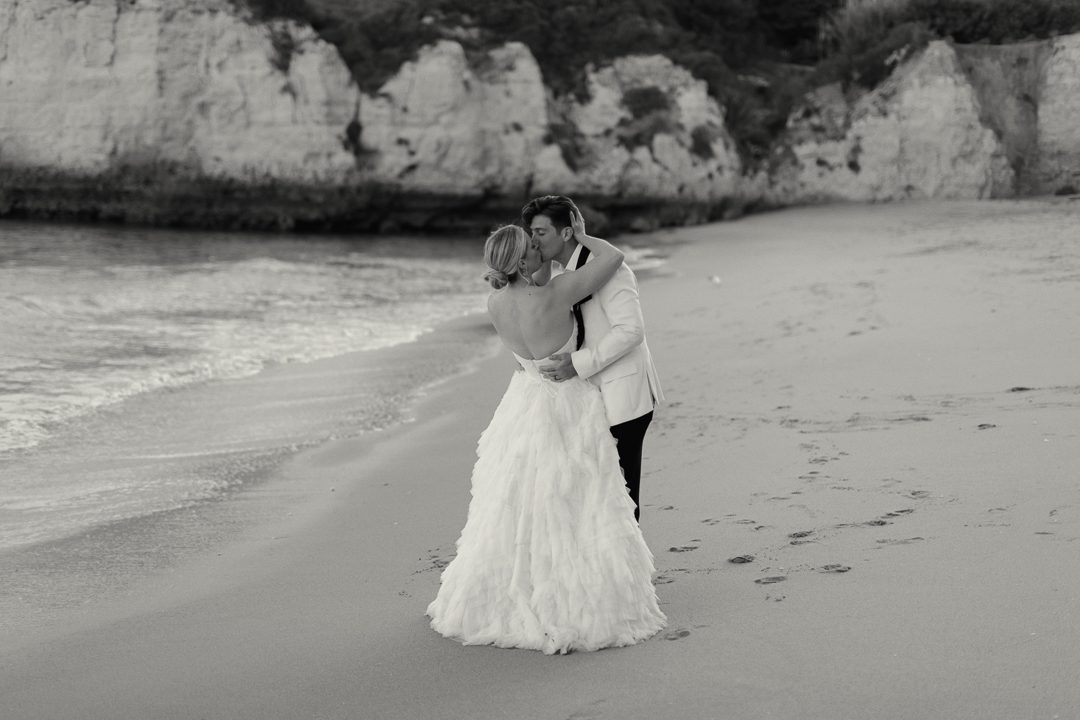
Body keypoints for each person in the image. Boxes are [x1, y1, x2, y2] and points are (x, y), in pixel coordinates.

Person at [426, 212, 665, 655]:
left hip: (525, 399)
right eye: (531, 244)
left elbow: (522, 349)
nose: (538, 246)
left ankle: (526, 583)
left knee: (524, 499)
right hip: (568, 401)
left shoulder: (495, 304)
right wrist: (582, 233)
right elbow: (613, 257)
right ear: (521, 260)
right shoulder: (558, 292)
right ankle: (582, 589)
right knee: (579, 497)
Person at [523, 195, 664, 521]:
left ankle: (631, 556)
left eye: (541, 233)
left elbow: (631, 330)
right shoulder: (565, 274)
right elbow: (534, 293)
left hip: (624, 395)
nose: (533, 241)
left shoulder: (610, 269)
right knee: (600, 493)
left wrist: (577, 364)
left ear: (566, 233)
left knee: (622, 495)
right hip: (593, 397)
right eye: (531, 233)